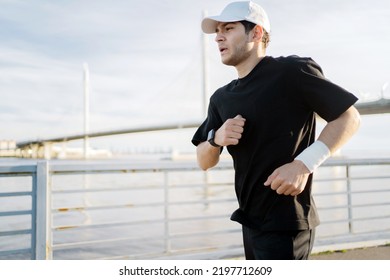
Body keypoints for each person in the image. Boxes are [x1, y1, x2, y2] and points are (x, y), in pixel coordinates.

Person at [191, 1, 360, 260]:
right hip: (248, 221)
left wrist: (303, 165)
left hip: (287, 223)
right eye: (217, 31)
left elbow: (349, 118)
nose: (218, 37)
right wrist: (216, 139)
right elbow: (203, 161)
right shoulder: (221, 98)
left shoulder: (292, 72)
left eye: (229, 28)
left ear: (256, 33)